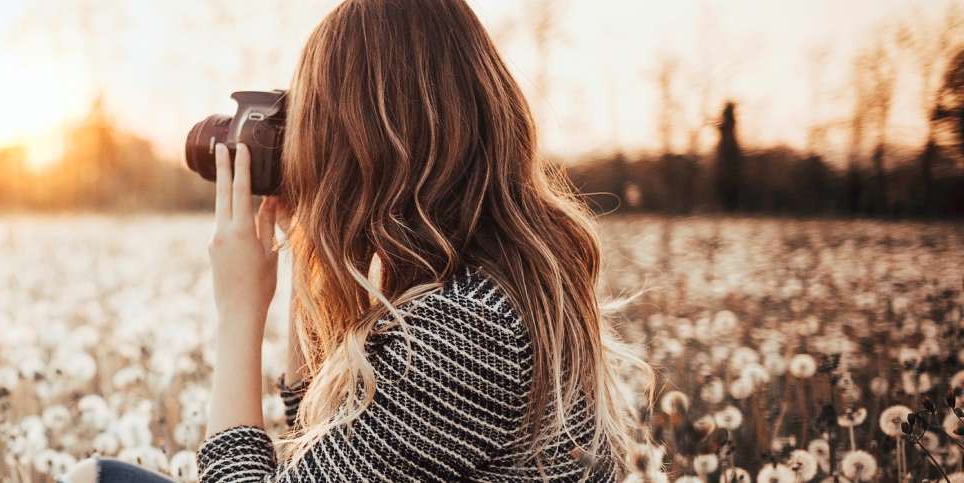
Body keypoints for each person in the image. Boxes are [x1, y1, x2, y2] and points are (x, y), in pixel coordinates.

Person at [62, 0, 652, 481]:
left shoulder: (470, 333)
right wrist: (303, 246)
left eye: (319, 122)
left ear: (365, 140)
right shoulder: (485, 288)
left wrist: (238, 310)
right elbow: (316, 445)